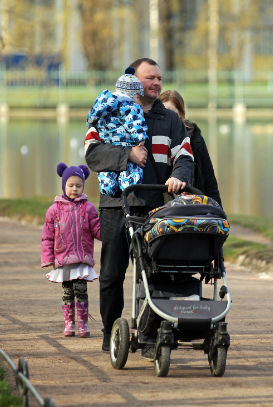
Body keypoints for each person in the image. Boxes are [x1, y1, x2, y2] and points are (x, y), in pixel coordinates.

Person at [84, 58, 194, 353]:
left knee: (153, 274)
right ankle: (110, 333)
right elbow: (92, 154)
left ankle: (150, 335)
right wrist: (127, 155)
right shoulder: (108, 111)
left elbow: (185, 156)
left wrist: (179, 176)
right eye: (150, 78)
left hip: (154, 207)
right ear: (133, 80)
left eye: (159, 78)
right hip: (114, 205)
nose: (157, 83)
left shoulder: (170, 120)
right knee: (111, 275)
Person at [41, 163, 101, 338]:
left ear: (83, 186)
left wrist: (108, 234)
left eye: (79, 186)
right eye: (71, 185)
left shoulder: (88, 208)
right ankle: (69, 323)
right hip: (64, 258)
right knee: (67, 292)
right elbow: (47, 236)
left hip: (81, 258)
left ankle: (82, 323)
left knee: (81, 290)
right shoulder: (54, 210)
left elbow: (96, 229)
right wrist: (48, 258)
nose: (75, 189)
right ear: (64, 185)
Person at [87, 67, 148, 196]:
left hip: (108, 144)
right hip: (126, 143)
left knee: (107, 171)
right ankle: (128, 186)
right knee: (131, 174)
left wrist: (90, 123)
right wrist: (141, 139)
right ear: (132, 94)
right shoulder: (131, 107)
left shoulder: (104, 105)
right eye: (138, 97)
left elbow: (92, 117)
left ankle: (107, 187)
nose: (139, 101)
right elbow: (135, 124)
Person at [159, 90, 222, 206]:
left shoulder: (195, 140)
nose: (167, 117)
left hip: (190, 204)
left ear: (181, 114)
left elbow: (209, 181)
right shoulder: (151, 137)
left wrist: (218, 211)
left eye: (171, 112)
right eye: (163, 112)